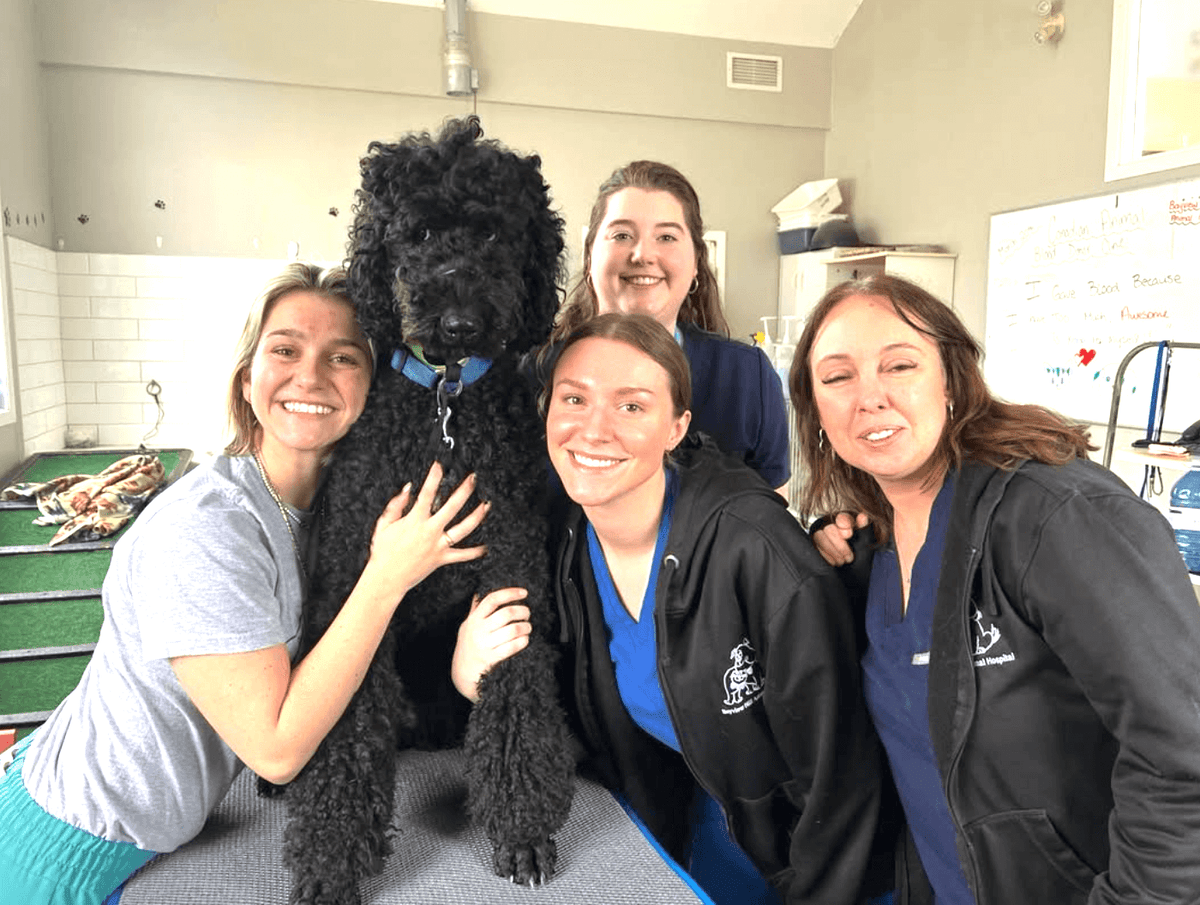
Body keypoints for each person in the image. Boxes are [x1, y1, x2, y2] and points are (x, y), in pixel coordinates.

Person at [0, 263, 525, 905]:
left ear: (375, 385)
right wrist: (386, 578)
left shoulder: (329, 510)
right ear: (247, 378)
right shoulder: (206, 528)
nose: (310, 375)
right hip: (69, 842)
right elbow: (276, 750)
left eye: (343, 356)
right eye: (285, 349)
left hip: (124, 807)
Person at [791, 273, 1200, 904]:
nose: (868, 397)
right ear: (814, 407)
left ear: (951, 379)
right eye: (837, 377)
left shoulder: (1056, 515)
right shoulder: (875, 544)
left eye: (899, 364)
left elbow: (1183, 753)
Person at [457, 312, 889, 905]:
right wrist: (473, 675)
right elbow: (573, 707)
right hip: (700, 827)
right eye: (574, 399)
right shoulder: (563, 543)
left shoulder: (752, 543)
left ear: (677, 427)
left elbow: (845, 775)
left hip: (816, 860)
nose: (595, 429)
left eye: (632, 406)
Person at [547, 160, 790, 494]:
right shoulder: (537, 372)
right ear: (590, 257)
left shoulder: (747, 378)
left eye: (666, 237)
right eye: (621, 235)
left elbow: (772, 517)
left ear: (695, 265)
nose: (643, 254)